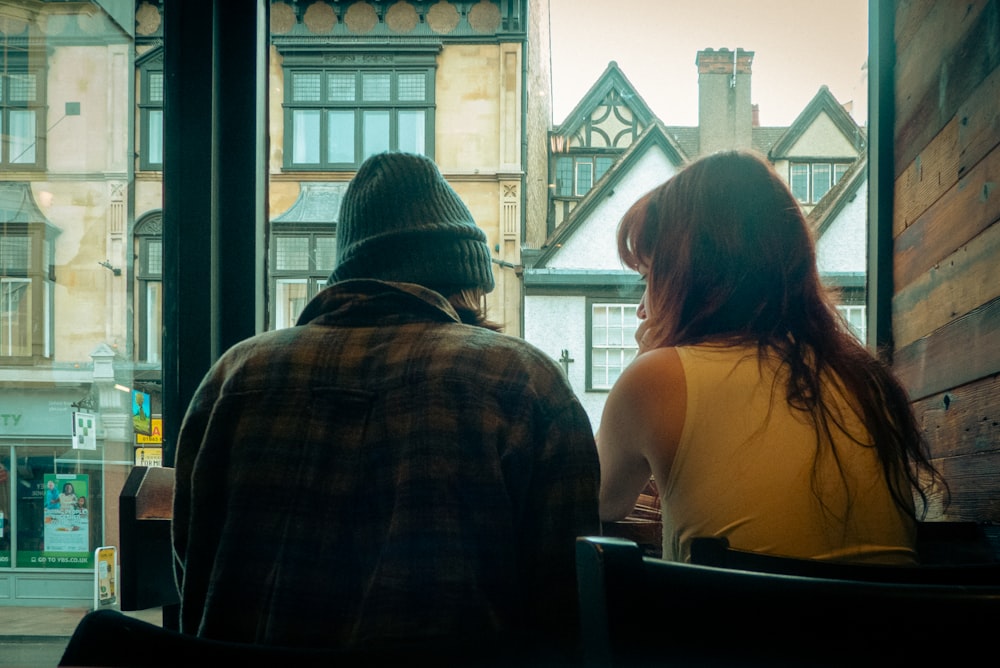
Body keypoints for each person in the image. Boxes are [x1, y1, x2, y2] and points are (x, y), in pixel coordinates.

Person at [172, 151, 600, 661]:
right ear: (466, 283)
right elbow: (567, 609)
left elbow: (193, 575)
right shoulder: (524, 383)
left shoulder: (231, 378)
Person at [597, 150, 947, 565]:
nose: (642, 307)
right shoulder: (869, 380)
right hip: (894, 628)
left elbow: (601, 500)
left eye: (649, 277)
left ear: (688, 274)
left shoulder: (658, 377)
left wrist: (647, 356)